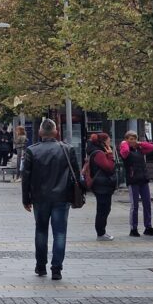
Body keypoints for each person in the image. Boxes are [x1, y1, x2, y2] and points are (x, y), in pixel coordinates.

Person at [22, 119, 79, 281]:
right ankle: (56, 269)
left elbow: (26, 177)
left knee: (41, 231)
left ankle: (41, 266)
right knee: (60, 232)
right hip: (62, 197)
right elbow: (76, 174)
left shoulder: (32, 151)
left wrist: (26, 199)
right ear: (56, 132)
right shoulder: (67, 149)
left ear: (40, 133)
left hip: (40, 198)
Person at [119, 131, 153, 237]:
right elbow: (125, 151)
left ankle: (148, 227)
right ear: (126, 140)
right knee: (134, 205)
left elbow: (151, 147)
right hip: (133, 180)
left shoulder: (140, 149)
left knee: (147, 204)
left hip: (143, 179)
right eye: (130, 139)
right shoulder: (125, 150)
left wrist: (140, 143)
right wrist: (124, 143)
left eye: (134, 139)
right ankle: (133, 228)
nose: (133, 141)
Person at [87, 133, 117, 241]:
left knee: (104, 209)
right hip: (102, 186)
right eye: (109, 140)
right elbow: (108, 167)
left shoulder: (97, 151)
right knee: (103, 210)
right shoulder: (99, 153)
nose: (110, 142)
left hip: (102, 185)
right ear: (104, 142)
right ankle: (101, 233)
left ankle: (102, 232)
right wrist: (110, 156)